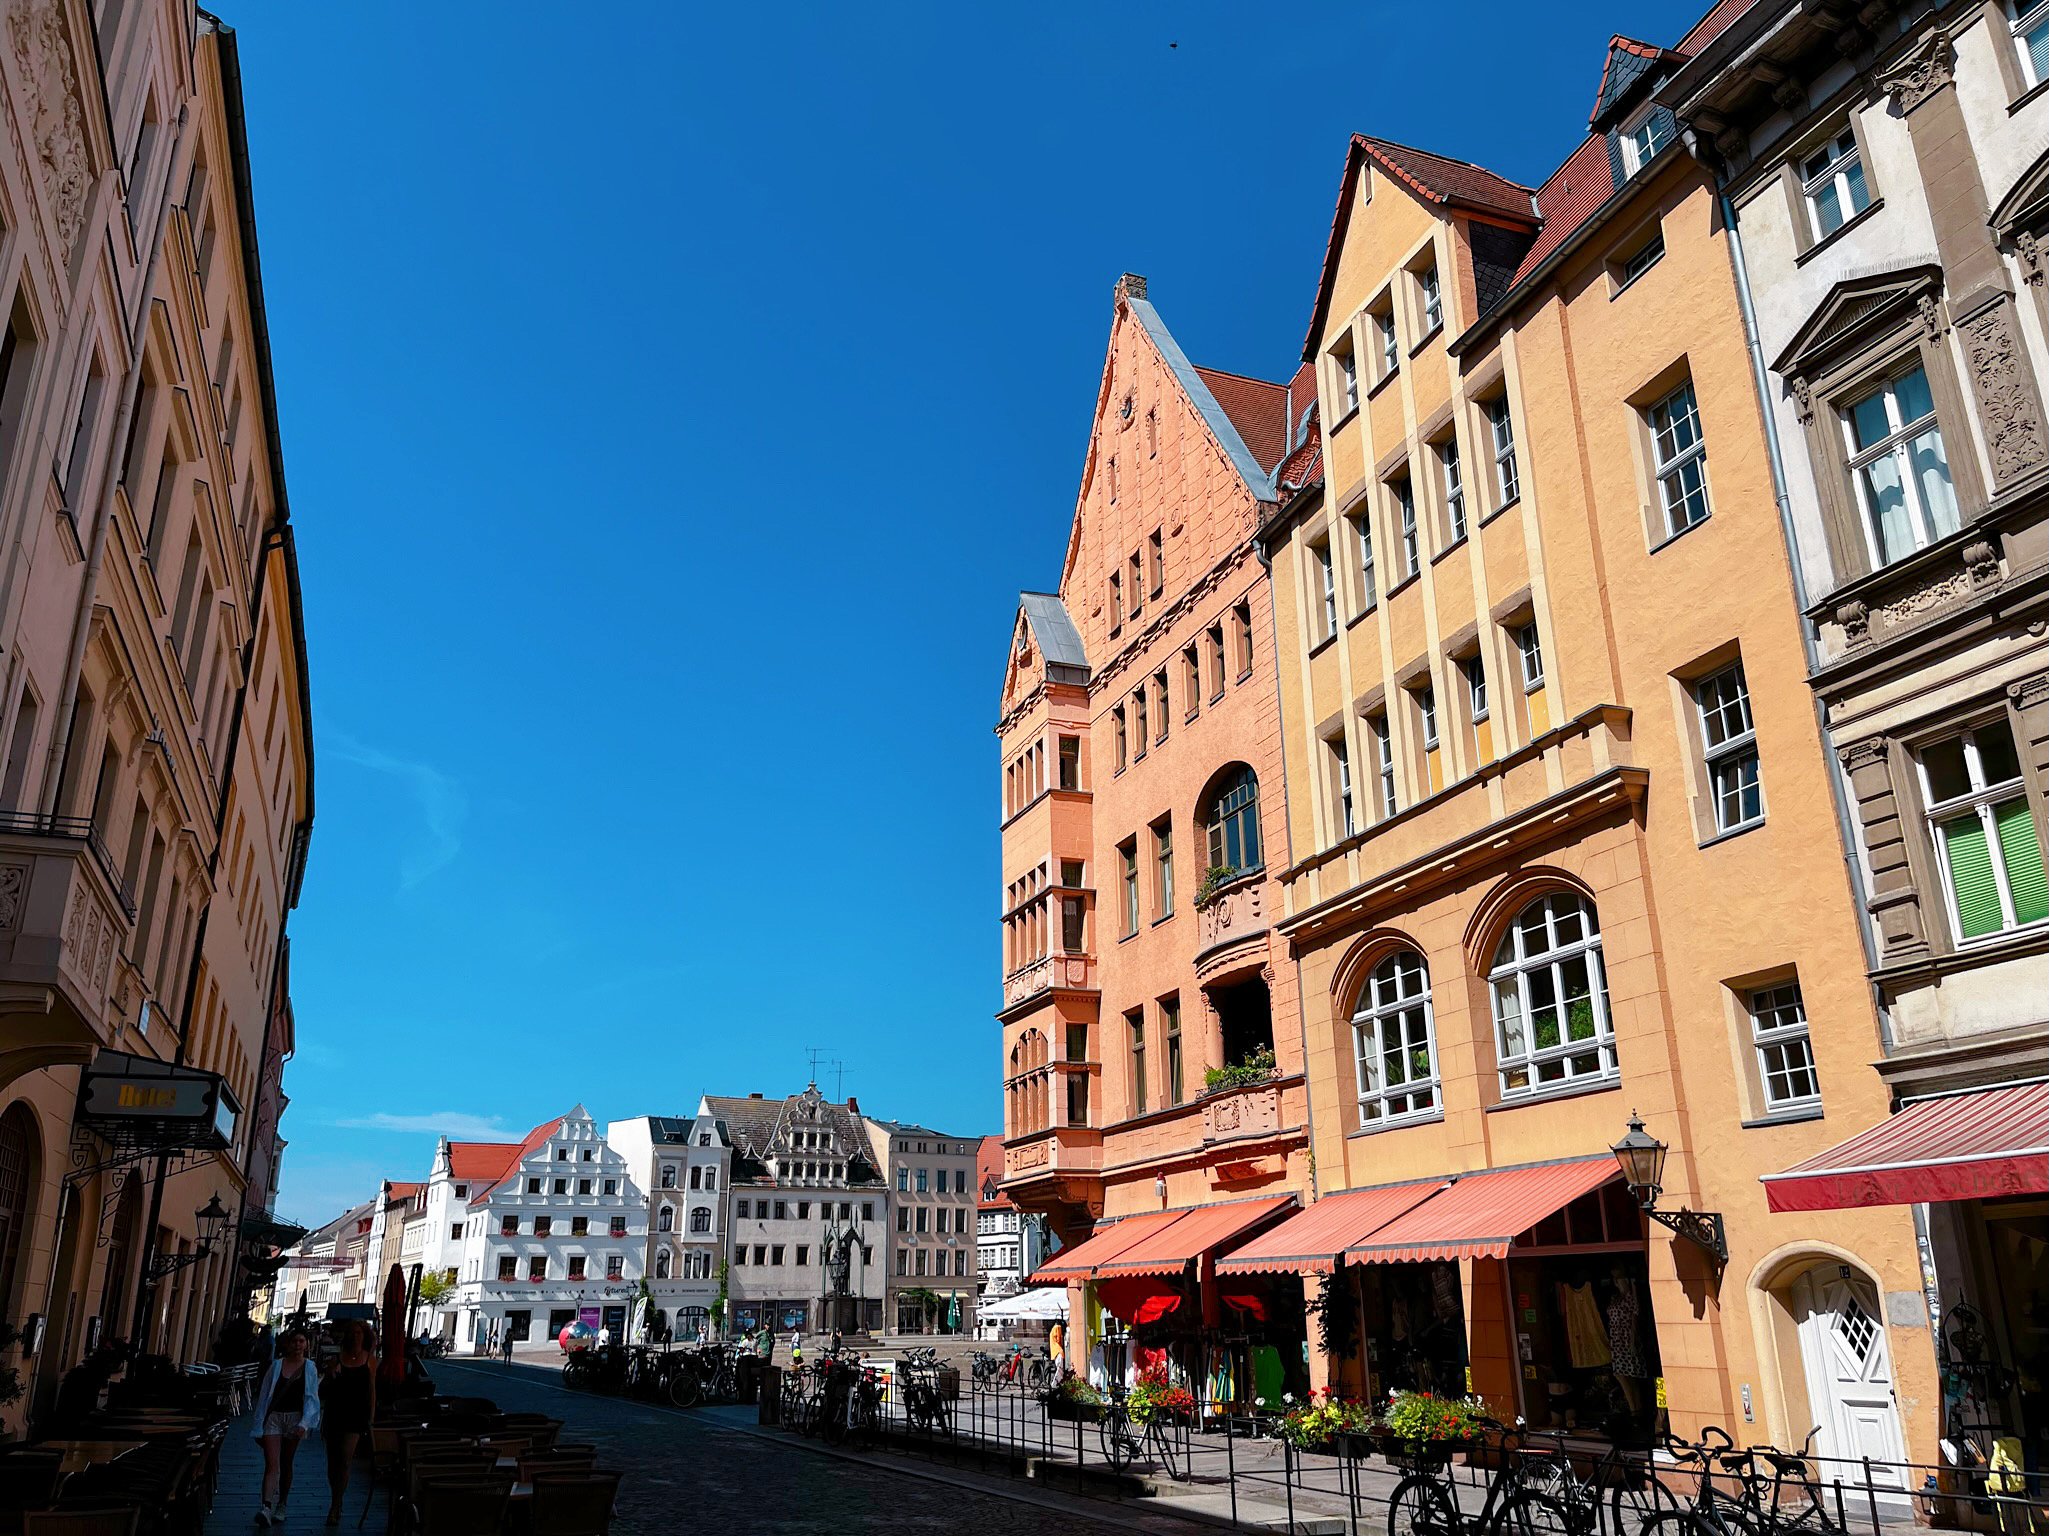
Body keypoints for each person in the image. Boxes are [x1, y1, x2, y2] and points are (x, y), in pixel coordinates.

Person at [251, 1329, 320, 1527]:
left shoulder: (310, 1368)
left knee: (286, 1461)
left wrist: (304, 1424)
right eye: (294, 1341)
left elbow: (311, 1398)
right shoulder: (276, 1366)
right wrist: (258, 1424)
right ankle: (266, 1506)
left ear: (306, 1344)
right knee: (272, 1463)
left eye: (301, 1341)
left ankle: (282, 1503)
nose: (298, 1345)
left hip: (295, 1419)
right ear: (287, 1344)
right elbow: (265, 1395)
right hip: (273, 1418)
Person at [319, 1322, 375, 1527]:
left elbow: (372, 1391)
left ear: (364, 1336)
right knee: (333, 1463)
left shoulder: (370, 1360)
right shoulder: (336, 1359)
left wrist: (371, 1417)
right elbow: (323, 1389)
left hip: (356, 1416)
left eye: (359, 1333)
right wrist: (331, 1374)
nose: (355, 1337)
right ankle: (337, 1497)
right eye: (352, 1333)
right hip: (335, 1413)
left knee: (344, 1459)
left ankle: (335, 1504)